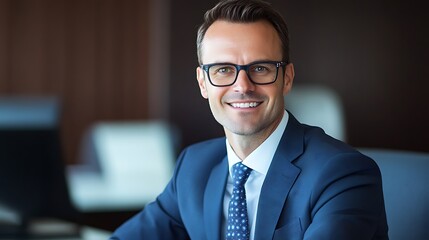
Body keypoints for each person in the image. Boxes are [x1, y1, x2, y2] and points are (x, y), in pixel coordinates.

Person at [110, 0, 389, 239]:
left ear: (287, 78)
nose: (242, 86)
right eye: (222, 70)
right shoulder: (194, 168)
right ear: (203, 83)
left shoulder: (342, 174)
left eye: (260, 68)